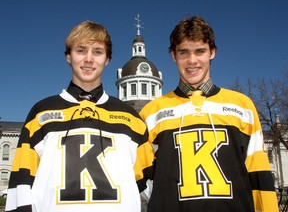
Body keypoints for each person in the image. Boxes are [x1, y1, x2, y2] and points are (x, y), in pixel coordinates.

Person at [5, 20, 154, 212]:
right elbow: (21, 184)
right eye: (81, 50)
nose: (89, 59)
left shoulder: (131, 118)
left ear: (107, 59)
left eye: (98, 52)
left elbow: (150, 186)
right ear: (68, 56)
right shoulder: (42, 112)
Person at [139, 16, 278, 212]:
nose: (192, 60)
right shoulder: (152, 112)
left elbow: (259, 174)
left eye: (200, 51)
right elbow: (137, 180)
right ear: (173, 55)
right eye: (183, 52)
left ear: (212, 52)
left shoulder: (242, 106)